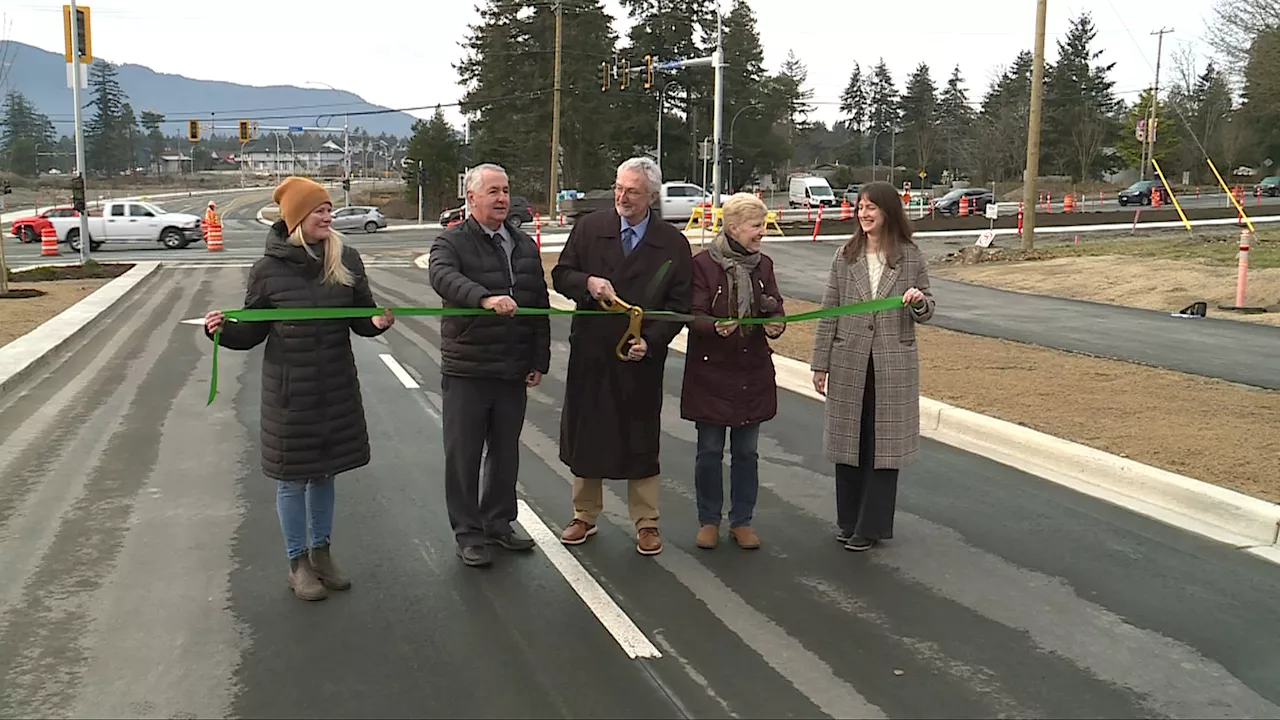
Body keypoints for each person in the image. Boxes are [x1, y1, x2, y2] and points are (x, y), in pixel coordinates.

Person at [203, 176, 394, 601]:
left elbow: (360, 319)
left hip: (335, 386)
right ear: (296, 219)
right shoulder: (267, 270)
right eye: (318, 211)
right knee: (293, 479)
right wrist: (220, 332)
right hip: (290, 393)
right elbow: (251, 331)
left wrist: (377, 324)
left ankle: (322, 554)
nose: (328, 216)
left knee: (325, 473)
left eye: (328, 209)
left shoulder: (346, 259)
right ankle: (298, 563)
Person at [552, 156, 692, 556]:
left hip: (640, 357)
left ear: (651, 195)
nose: (621, 196)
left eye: (631, 191)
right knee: (587, 433)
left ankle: (647, 522)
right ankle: (584, 514)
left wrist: (653, 339)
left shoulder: (672, 243)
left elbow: (679, 304)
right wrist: (587, 282)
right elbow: (561, 275)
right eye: (618, 187)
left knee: (641, 438)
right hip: (592, 351)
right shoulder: (590, 228)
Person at [428, 163, 551, 568]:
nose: (502, 199)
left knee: (505, 452)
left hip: (512, 367)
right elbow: (443, 278)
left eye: (506, 191)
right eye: (493, 191)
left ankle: (498, 521)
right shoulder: (452, 242)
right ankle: (468, 533)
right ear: (471, 197)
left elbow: (538, 305)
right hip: (468, 367)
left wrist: (538, 359)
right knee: (463, 456)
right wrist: (484, 298)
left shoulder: (523, 245)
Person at [809, 180, 934, 552]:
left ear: (888, 212)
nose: (863, 213)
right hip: (849, 362)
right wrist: (820, 363)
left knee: (883, 447)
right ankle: (848, 521)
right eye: (860, 207)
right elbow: (829, 311)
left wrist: (916, 302)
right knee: (850, 443)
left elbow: (928, 308)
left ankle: (872, 526)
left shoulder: (911, 256)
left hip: (893, 365)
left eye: (871, 207)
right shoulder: (844, 256)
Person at [680, 192, 787, 551]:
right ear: (733, 227)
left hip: (751, 372)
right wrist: (713, 327)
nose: (761, 233)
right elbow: (692, 314)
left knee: (747, 453)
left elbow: (774, 305)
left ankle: (742, 521)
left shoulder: (765, 265)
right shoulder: (701, 266)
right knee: (709, 451)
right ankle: (708, 519)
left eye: (762, 226)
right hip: (711, 373)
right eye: (756, 226)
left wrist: (775, 322)